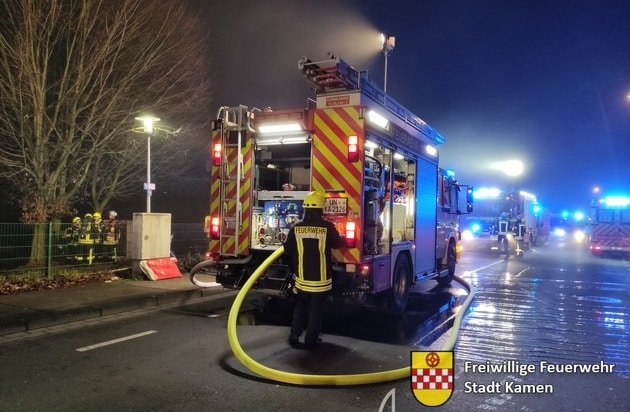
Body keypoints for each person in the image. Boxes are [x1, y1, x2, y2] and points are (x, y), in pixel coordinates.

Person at [283, 191, 345, 349]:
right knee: (316, 309)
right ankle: (311, 339)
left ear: (305, 209)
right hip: (321, 279)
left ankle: (294, 335)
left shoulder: (296, 228)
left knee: (300, 306)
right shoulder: (327, 227)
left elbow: (288, 250)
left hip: (302, 278)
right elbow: (338, 243)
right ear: (321, 210)